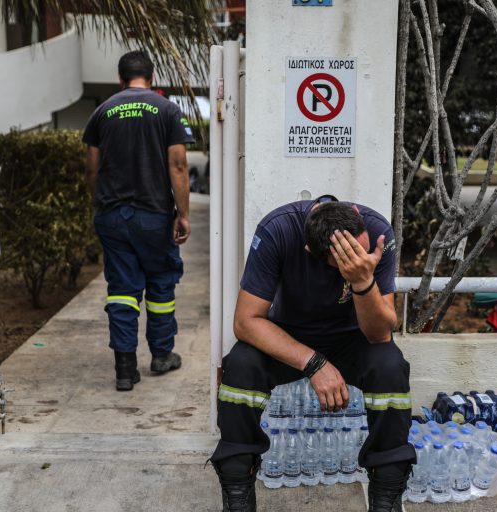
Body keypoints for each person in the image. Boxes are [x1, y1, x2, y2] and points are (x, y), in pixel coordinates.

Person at [210, 195, 415, 512]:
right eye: (346, 261)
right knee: (240, 365)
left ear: (356, 214)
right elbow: (246, 322)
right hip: (291, 336)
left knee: (390, 366)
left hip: (354, 337)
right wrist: (315, 364)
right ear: (310, 251)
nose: (359, 259)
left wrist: (362, 281)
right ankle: (238, 489)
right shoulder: (278, 230)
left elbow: (379, 334)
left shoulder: (377, 232)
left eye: (361, 252)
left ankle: (386, 493)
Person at [83, 50, 194, 391]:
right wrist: (183, 214)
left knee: (121, 290)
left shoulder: (102, 112)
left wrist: (100, 206)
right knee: (160, 283)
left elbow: (91, 169)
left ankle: (125, 369)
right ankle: (161, 354)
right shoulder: (167, 110)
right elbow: (178, 165)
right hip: (153, 215)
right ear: (152, 76)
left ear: (120, 78)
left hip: (112, 216)